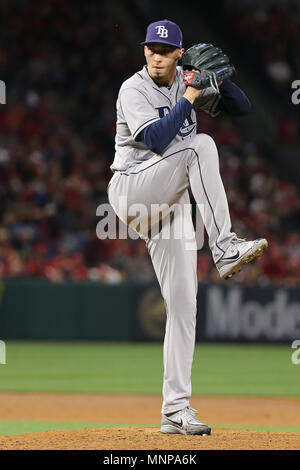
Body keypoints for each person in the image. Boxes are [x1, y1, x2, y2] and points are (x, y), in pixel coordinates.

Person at [107, 19, 268, 436]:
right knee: (201, 146)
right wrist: (194, 92)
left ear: (179, 53)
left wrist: (218, 78)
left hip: (171, 201)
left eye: (165, 50)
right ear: (144, 50)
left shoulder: (186, 75)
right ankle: (226, 246)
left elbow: (243, 108)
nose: (156, 55)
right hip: (132, 191)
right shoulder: (133, 88)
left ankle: (174, 411)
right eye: (150, 48)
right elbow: (159, 140)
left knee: (183, 306)